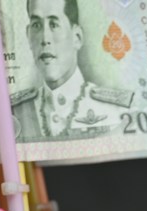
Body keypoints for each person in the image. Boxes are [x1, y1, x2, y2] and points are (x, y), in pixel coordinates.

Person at [10, 0, 134, 140]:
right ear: (28, 35)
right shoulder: (13, 113)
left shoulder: (115, 109)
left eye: (54, 25)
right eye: (36, 25)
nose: (44, 39)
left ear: (77, 37)